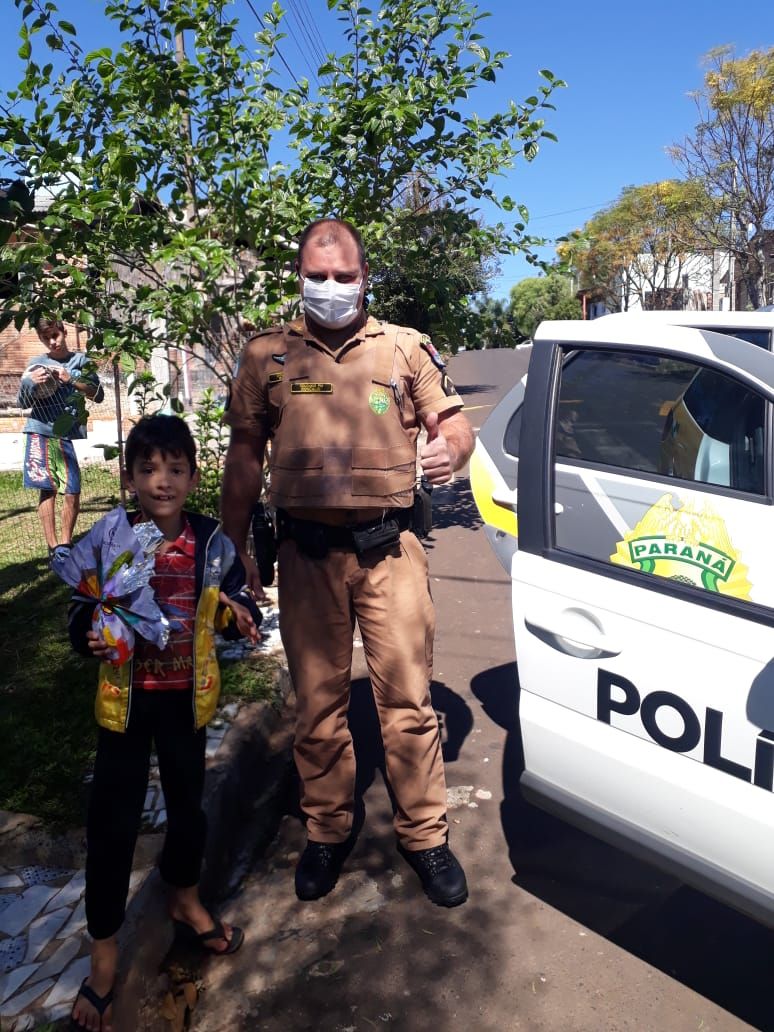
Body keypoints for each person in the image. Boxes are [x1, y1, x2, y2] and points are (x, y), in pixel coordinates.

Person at [221, 217, 475, 907]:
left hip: (390, 551)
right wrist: (231, 546)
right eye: (317, 276)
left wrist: (451, 449)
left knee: (409, 702)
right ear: (299, 277)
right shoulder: (268, 356)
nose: (330, 287)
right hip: (305, 558)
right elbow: (244, 453)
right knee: (318, 705)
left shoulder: (404, 348)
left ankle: (425, 836)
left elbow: (454, 424)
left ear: (365, 277)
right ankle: (327, 829)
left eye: (343, 276)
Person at [67, 414, 260, 1032]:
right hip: (126, 705)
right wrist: (88, 632)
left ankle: (183, 896)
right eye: (148, 469)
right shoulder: (111, 538)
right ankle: (104, 953)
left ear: (194, 477)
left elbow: (236, 598)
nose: (162, 481)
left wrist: (238, 614)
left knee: (188, 810)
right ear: (129, 478)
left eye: (176, 469)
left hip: (185, 702)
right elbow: (81, 605)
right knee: (113, 824)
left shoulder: (212, 542)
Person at [17, 317, 105, 564]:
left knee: (72, 490)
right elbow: (22, 403)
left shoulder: (81, 361)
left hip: (65, 433)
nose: (52, 342)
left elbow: (98, 395)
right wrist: (30, 383)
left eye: (55, 335)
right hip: (39, 429)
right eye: (46, 338)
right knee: (48, 489)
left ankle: (66, 543)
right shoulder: (36, 364)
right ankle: (54, 547)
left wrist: (71, 379)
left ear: (64, 331)